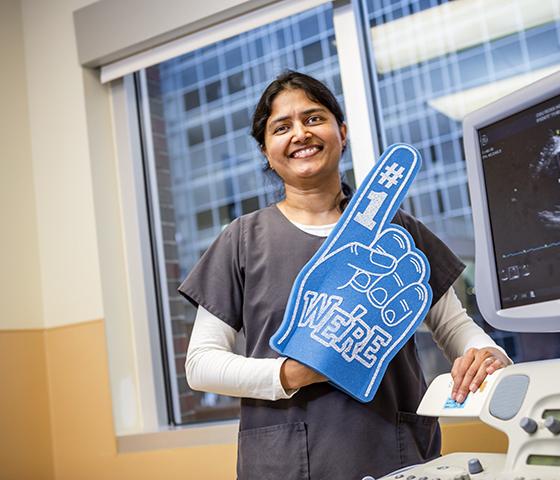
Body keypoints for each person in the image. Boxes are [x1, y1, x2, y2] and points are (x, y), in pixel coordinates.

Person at [178, 70, 511, 480]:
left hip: (395, 451)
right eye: (281, 127)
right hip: (284, 461)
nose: (300, 133)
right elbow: (201, 364)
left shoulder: (398, 230)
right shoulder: (242, 240)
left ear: (342, 131)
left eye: (314, 118)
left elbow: (455, 328)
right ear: (266, 151)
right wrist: (291, 374)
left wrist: (485, 357)